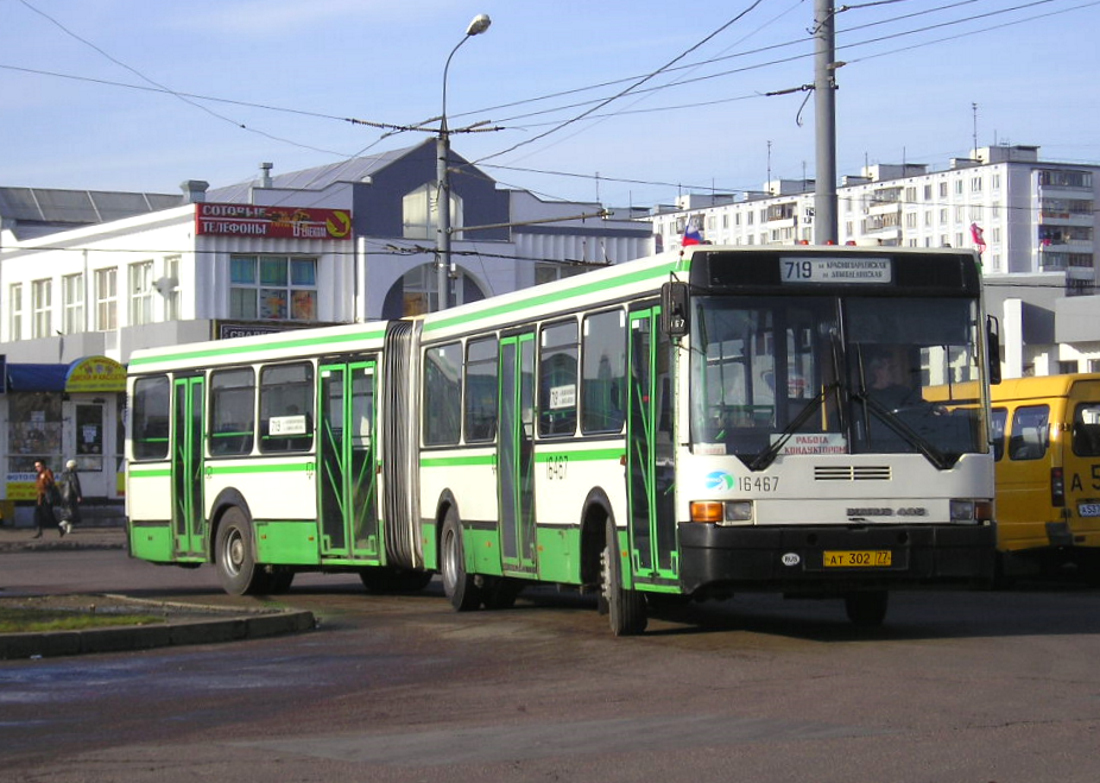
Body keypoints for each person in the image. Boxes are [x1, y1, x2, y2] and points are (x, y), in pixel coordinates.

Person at [33, 459, 60, 538]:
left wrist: (46, 484)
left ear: (43, 465)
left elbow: (51, 482)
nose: (37, 468)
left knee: (49, 514)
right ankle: (39, 531)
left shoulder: (47, 472)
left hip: (46, 496)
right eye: (36, 467)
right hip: (40, 497)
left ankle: (60, 528)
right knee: (37, 513)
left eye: (38, 466)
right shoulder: (39, 474)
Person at [56, 459, 83, 536]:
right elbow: (75, 485)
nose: (76, 468)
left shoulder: (63, 474)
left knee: (66, 513)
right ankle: (62, 524)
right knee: (71, 514)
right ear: (73, 467)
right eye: (75, 466)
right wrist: (78, 495)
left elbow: (60, 486)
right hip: (71, 496)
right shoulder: (73, 474)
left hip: (64, 496)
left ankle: (68, 530)